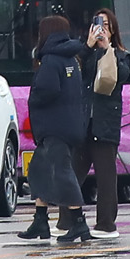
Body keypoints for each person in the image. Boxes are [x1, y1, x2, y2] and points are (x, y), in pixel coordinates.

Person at [17, 15, 91, 243]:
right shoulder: (71, 58)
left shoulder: (50, 60)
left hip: (53, 126)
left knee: (62, 173)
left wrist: (33, 98)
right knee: (39, 171)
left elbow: (47, 90)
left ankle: (79, 222)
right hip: (69, 124)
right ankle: (40, 219)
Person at [77, 7, 130, 238]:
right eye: (99, 25)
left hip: (105, 124)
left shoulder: (120, 54)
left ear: (114, 31)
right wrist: (89, 47)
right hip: (82, 124)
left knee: (106, 177)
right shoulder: (85, 52)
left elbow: (123, 75)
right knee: (73, 173)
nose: (102, 30)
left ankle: (106, 224)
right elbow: (76, 71)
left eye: (107, 26)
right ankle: (67, 219)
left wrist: (106, 49)